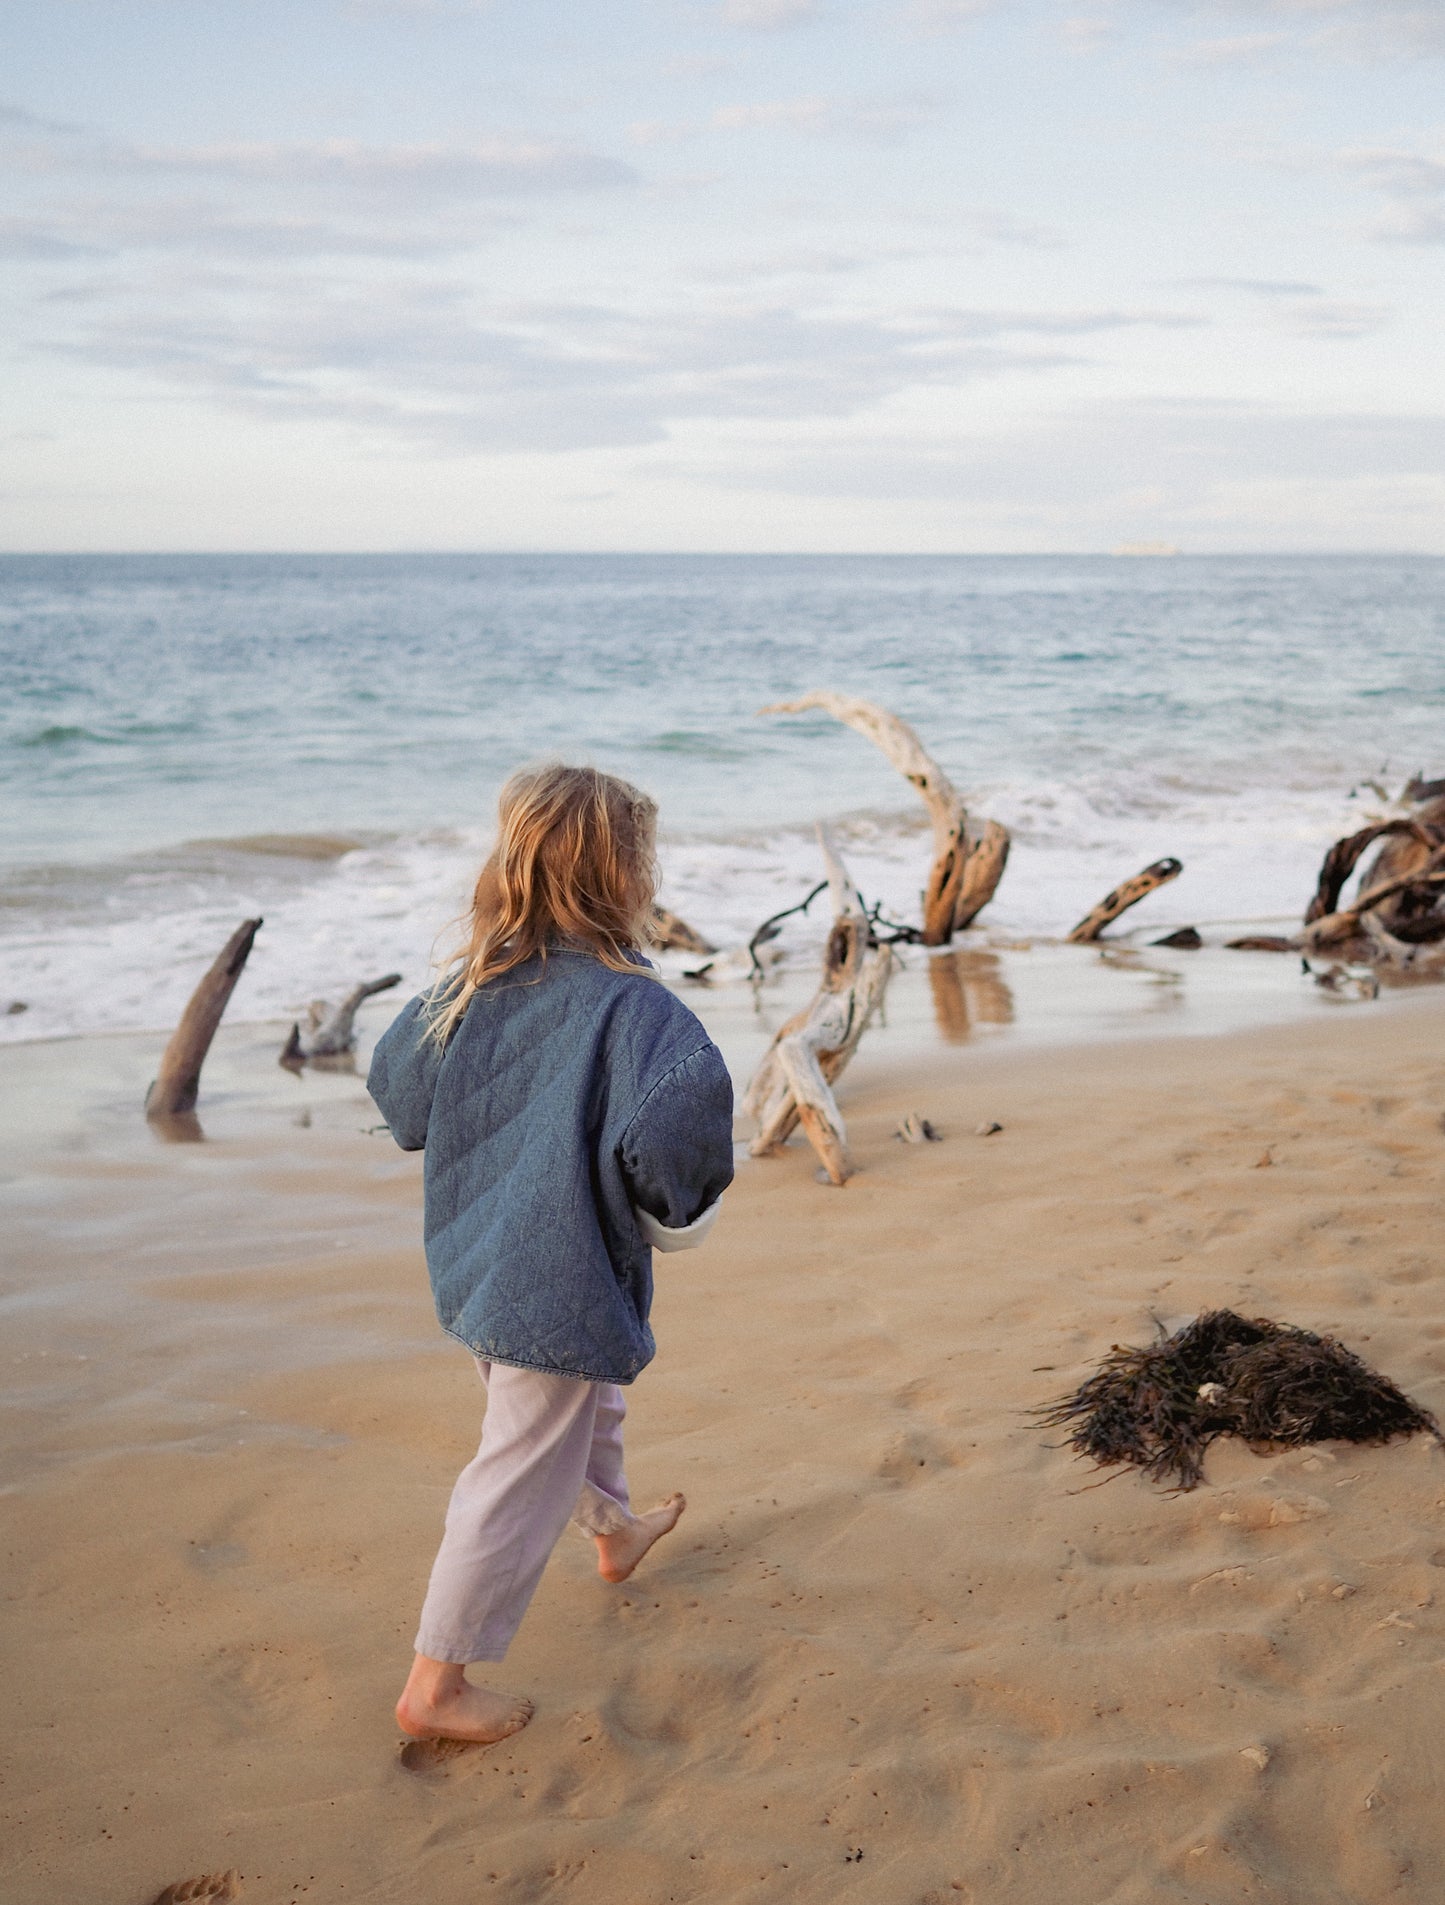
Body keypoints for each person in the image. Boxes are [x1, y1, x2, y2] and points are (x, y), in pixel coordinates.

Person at [367, 764, 734, 1746]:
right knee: (519, 1461)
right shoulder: (642, 1011)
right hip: (559, 1272)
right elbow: (673, 1147)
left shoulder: (466, 985)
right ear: (623, 879)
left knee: (577, 1403)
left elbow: (397, 1096)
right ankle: (435, 1682)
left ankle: (613, 1535)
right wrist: (672, 1204)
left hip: (473, 1258)